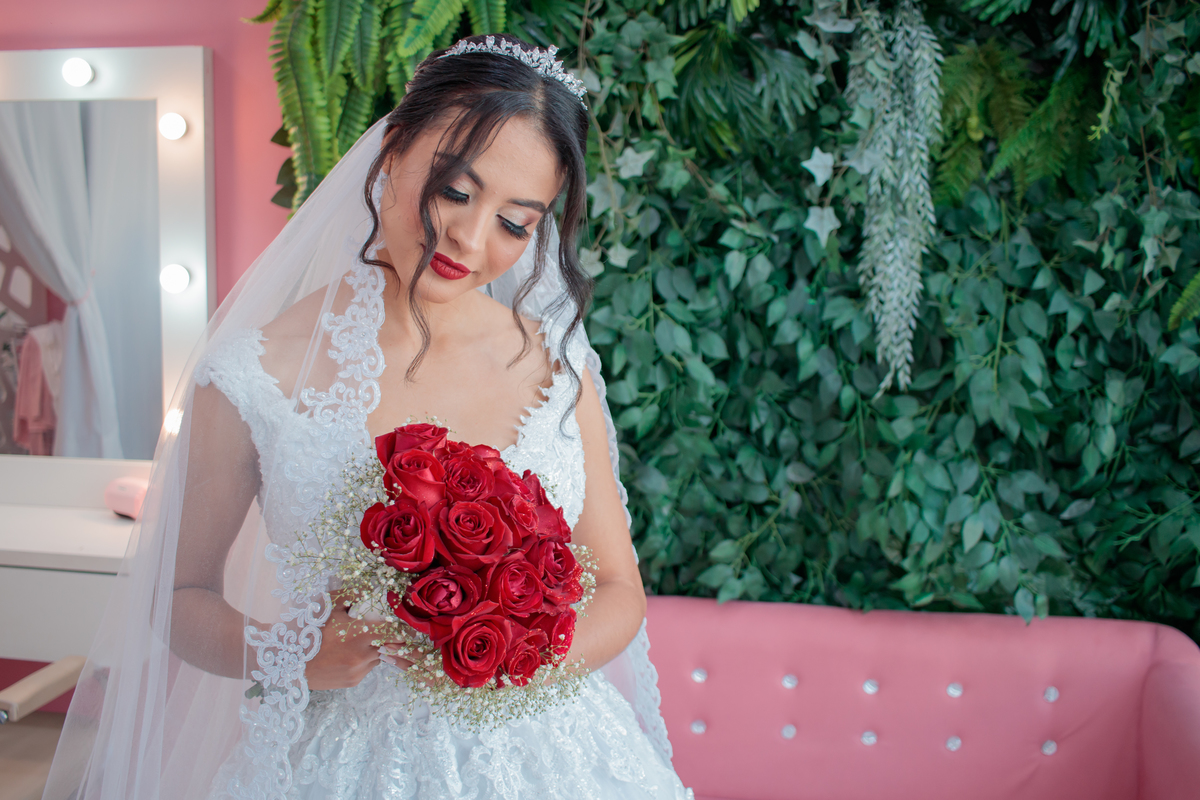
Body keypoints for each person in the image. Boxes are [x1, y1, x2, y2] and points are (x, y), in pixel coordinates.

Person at [42, 33, 692, 800]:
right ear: (392, 151)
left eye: (515, 224)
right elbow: (180, 597)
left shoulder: (555, 365)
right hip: (345, 763)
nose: (469, 238)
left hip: (559, 758)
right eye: (455, 190)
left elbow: (617, 588)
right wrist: (290, 653)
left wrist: (515, 657)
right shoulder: (253, 376)